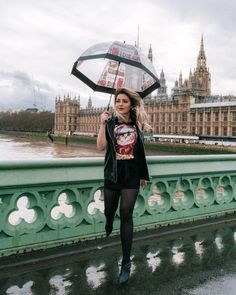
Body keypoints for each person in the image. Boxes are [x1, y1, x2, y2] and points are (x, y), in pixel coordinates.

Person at [97, 87, 151, 284]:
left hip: (131, 176)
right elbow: (101, 147)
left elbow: (141, 151)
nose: (120, 104)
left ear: (131, 104)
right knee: (109, 210)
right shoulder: (109, 122)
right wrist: (102, 124)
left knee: (126, 215)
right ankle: (109, 221)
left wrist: (143, 175)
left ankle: (126, 263)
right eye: (118, 100)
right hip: (113, 173)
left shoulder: (137, 123)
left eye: (124, 101)